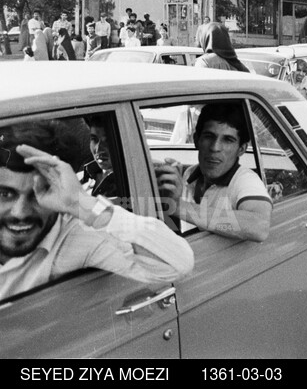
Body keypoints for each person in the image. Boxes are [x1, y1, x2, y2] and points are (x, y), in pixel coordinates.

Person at [0, 121, 194, 301]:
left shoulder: (76, 232)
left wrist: (83, 204)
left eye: (37, 194)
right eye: (5, 194)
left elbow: (177, 263)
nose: (19, 212)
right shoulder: (84, 175)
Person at [153, 103, 272, 242]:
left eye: (228, 140)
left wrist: (179, 207)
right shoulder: (189, 174)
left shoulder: (245, 180)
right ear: (196, 140)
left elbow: (259, 227)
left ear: (241, 149)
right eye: (209, 136)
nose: (215, 147)